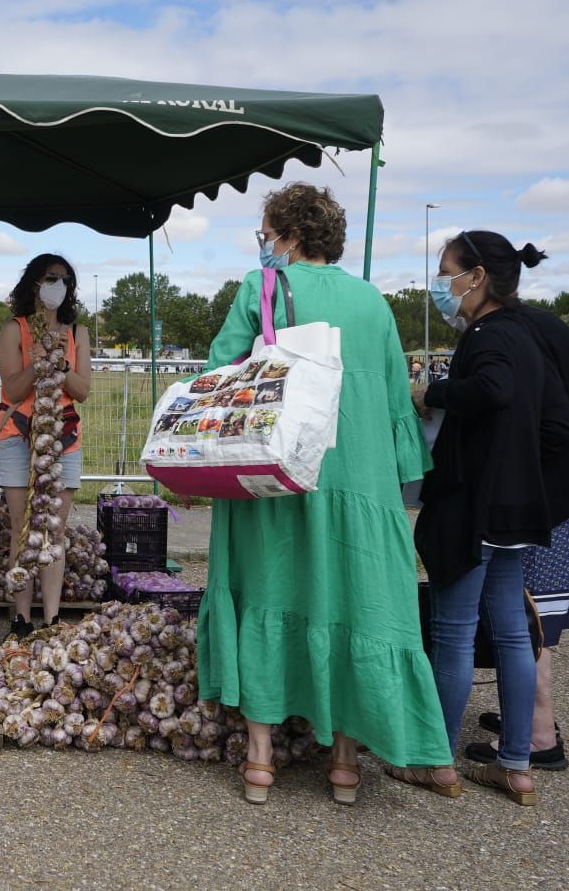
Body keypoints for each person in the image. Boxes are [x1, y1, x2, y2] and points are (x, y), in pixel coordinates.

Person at [197, 182, 450, 806]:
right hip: (357, 485)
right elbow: (398, 405)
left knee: (266, 591)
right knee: (352, 603)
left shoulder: (260, 291)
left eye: (268, 232)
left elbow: (220, 377)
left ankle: (260, 761)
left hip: (274, 482)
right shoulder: (372, 303)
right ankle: (343, 765)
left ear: (284, 235)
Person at [401, 231, 569, 807]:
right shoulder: (530, 334)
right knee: (511, 634)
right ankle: (516, 764)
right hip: (519, 507)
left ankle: (437, 758)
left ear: (475, 276)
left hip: (474, 505)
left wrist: (436, 394)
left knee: (453, 632)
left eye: (446, 271)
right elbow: (557, 428)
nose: (441, 284)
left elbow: (492, 389)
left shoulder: (489, 335)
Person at [464, 300, 569, 770]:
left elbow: (540, 421)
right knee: (541, 614)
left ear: (480, 277)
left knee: (528, 618)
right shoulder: (547, 325)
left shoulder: (507, 335)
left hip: (543, 499)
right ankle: (526, 714)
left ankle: (538, 735)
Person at [0, 254, 91, 639]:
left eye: (66, 280)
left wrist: (62, 366)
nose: (59, 285)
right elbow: (13, 389)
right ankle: (20, 617)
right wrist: (37, 364)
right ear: (34, 283)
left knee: (55, 530)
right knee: (23, 527)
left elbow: (83, 391)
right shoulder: (13, 330)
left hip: (64, 440)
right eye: (52, 278)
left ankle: (52, 619)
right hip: (18, 437)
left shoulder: (77, 332)